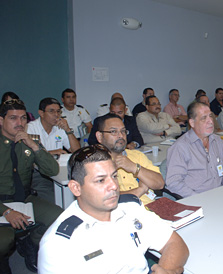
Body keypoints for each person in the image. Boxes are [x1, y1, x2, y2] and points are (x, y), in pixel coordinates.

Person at [38, 145, 189, 273]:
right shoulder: (58, 245)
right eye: (101, 180)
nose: (114, 186)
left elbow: (174, 243)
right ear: (76, 188)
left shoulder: (130, 208)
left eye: (114, 176)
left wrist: (166, 269)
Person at [0, 99, 63, 273]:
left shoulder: (30, 141)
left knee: (58, 217)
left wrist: (34, 146)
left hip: (24, 198)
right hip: (1, 203)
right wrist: (6, 211)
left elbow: (52, 169)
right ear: (1, 120)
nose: (19, 123)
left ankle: (30, 243)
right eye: (13, 118)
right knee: (4, 241)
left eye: (23, 118)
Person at [166, 102, 223, 198]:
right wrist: (198, 198)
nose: (210, 121)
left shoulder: (218, 141)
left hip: (220, 196)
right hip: (196, 199)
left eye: (210, 116)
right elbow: (174, 183)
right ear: (192, 123)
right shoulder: (180, 147)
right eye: (204, 118)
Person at [95, 114, 164, 205]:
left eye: (123, 131)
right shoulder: (94, 163)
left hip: (150, 210)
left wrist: (134, 168)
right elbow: (104, 198)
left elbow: (159, 184)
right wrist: (140, 190)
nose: (120, 135)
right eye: (113, 131)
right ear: (100, 136)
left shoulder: (137, 155)